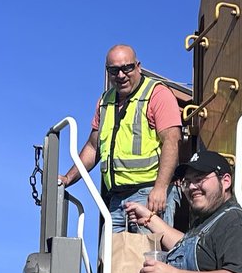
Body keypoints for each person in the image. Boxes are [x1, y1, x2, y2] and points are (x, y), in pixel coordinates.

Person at [58, 45, 182, 233]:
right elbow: (93, 148)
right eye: (114, 70)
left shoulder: (157, 94)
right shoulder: (105, 101)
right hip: (116, 201)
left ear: (138, 66)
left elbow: (172, 141)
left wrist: (160, 188)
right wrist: (68, 178)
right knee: (113, 258)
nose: (121, 75)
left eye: (127, 68)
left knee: (148, 258)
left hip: (149, 194)